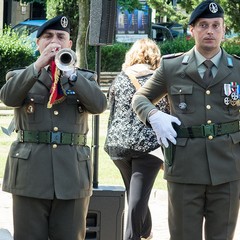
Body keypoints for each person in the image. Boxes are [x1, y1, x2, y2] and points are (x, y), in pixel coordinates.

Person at [132, 1, 240, 240]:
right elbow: (140, 98)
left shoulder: (238, 69)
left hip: (228, 170)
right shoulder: (172, 67)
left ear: (224, 30)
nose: (209, 30)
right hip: (184, 169)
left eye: (215, 25)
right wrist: (153, 115)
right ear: (192, 30)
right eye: (203, 25)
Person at [0, 15, 107, 240]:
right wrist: (38, 66)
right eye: (48, 37)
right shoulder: (20, 75)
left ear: (69, 44)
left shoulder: (83, 78)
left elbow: (98, 105)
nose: (54, 41)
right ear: (38, 43)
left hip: (72, 174)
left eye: (61, 36)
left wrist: (73, 75)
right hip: (30, 175)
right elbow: (8, 98)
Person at [104, 38, 169, 240]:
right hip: (148, 147)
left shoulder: (120, 78)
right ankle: (132, 236)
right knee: (137, 199)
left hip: (118, 145)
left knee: (136, 195)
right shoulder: (158, 79)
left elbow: (111, 107)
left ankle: (146, 231)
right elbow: (166, 110)